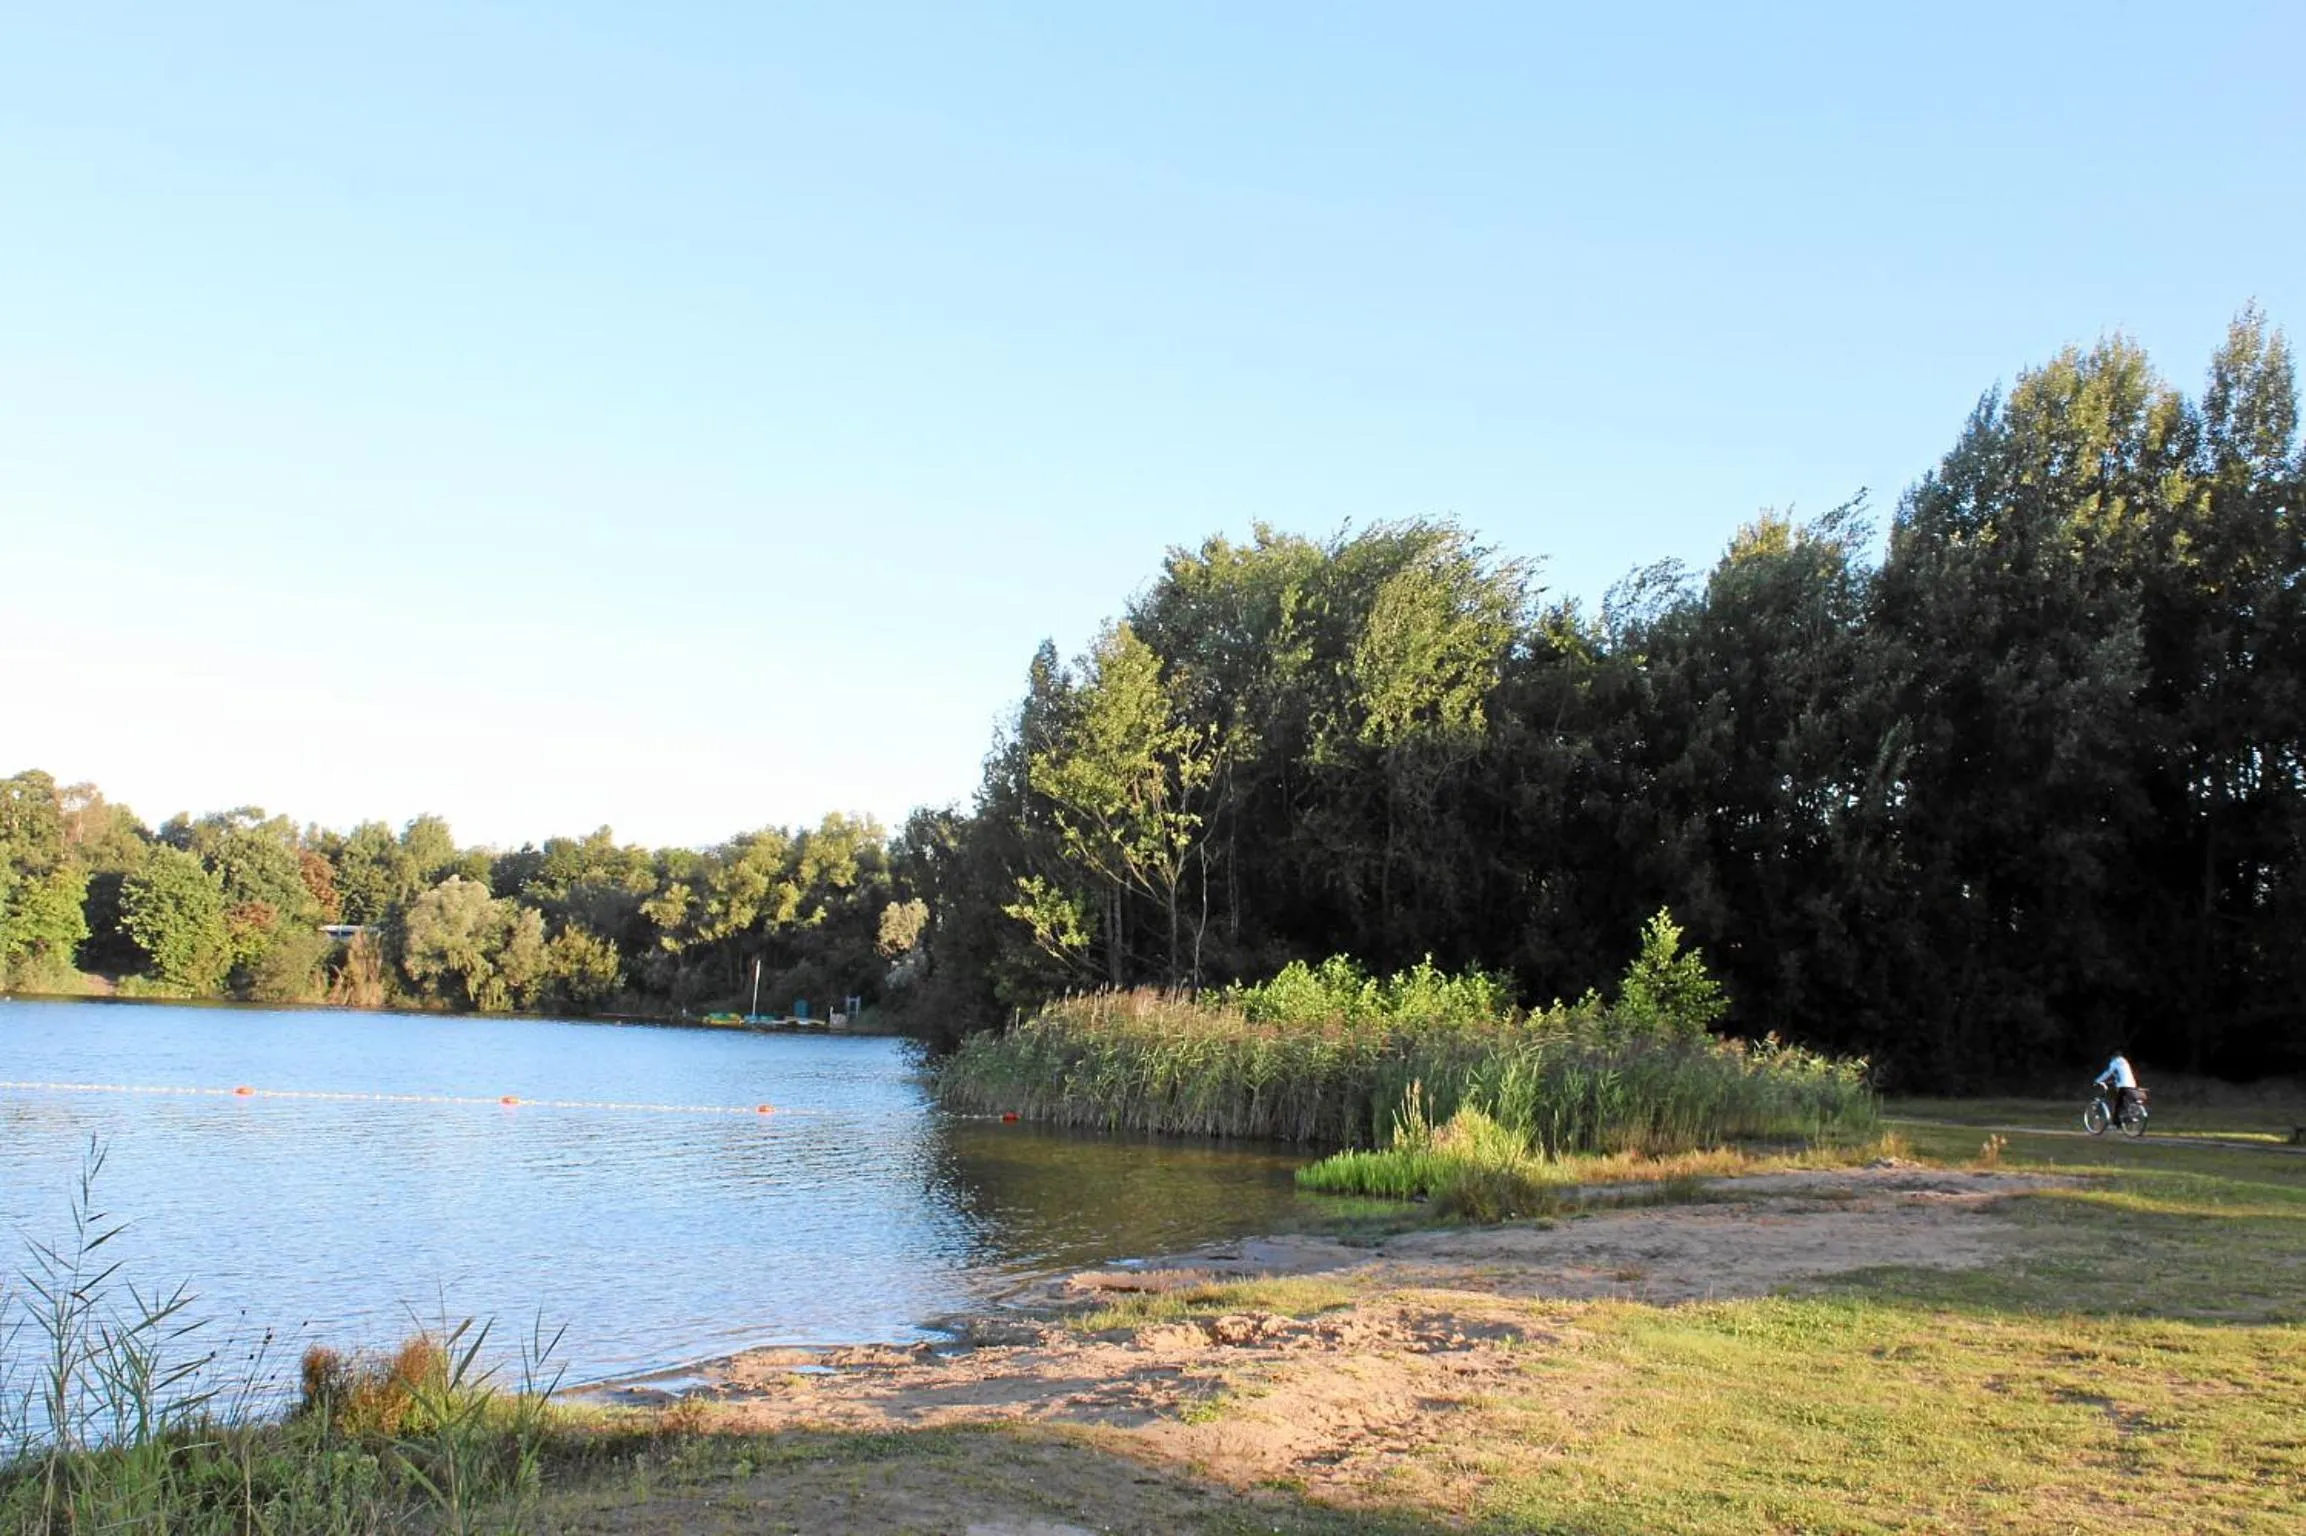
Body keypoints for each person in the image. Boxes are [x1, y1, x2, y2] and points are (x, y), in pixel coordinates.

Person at [2094, 1053, 2145, 1125]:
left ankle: (2118, 1122)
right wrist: (2116, 1081)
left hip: (2123, 1086)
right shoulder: (2125, 1062)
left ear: (2112, 1057)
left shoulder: (2115, 1062)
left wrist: (2097, 1080)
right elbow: (2122, 1075)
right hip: (2132, 1084)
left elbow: (2108, 1072)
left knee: (2116, 1102)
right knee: (2120, 1101)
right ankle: (2121, 1120)